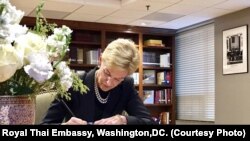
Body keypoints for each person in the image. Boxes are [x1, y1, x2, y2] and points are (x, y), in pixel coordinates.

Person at [41, 38, 156, 125]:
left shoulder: (126, 86)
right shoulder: (73, 83)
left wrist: (124, 120)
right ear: (100, 60)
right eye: (107, 73)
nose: (109, 83)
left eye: (117, 79)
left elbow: (148, 121)